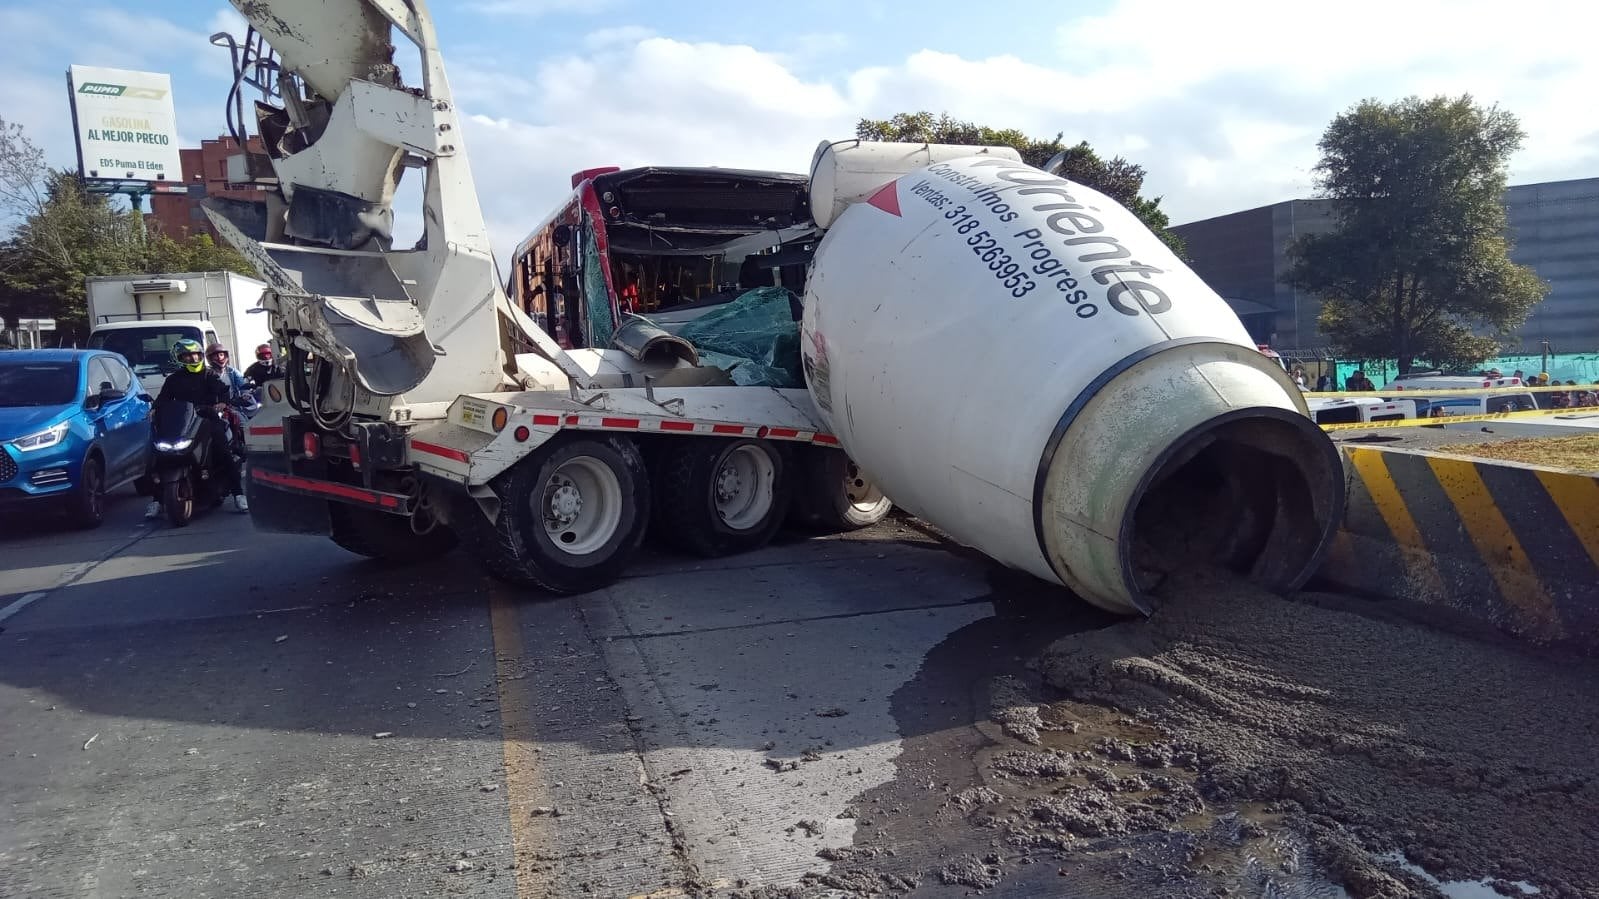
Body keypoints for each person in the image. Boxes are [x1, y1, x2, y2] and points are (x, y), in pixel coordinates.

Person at [144, 339, 248, 518]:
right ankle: (157, 500)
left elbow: (223, 391)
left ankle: (239, 494)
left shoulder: (210, 375)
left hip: (207, 420)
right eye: (187, 355)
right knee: (157, 454)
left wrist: (222, 403)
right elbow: (163, 398)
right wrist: (154, 409)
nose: (192, 358)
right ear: (179, 358)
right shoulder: (173, 379)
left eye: (196, 355)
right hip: (183, 424)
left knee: (223, 451)